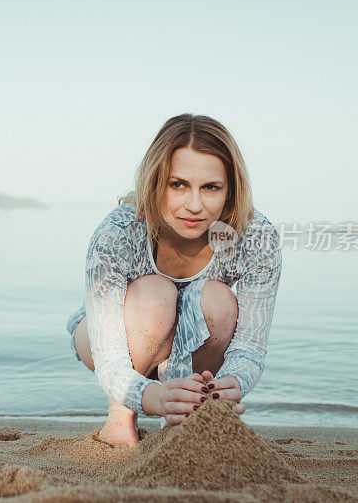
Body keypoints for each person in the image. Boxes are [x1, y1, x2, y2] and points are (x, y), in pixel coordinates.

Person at [65, 113, 283, 447]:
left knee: (218, 300)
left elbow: (250, 348)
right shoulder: (120, 232)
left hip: (200, 348)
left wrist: (233, 381)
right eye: (178, 184)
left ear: (230, 190)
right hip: (122, 340)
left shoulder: (255, 236)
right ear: (155, 181)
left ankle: (194, 410)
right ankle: (119, 418)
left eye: (210, 187)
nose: (194, 205)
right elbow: (110, 360)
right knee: (156, 294)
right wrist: (150, 396)